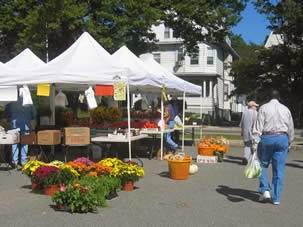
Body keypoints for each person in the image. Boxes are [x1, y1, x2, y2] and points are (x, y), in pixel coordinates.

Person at [252, 90, 294, 205]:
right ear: (279, 97)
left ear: (268, 97)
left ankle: (265, 190)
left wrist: (255, 143)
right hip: (282, 138)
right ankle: (276, 198)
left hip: (267, 137)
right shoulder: (286, 109)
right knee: (279, 169)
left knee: (262, 164)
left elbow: (258, 127)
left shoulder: (264, 108)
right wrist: (290, 142)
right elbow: (291, 128)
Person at [5, 98, 36, 168]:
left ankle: (14, 162)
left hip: (14, 125)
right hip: (25, 125)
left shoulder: (11, 103)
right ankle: (23, 162)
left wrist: (11, 118)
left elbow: (6, 115)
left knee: (14, 143)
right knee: (24, 143)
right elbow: (34, 114)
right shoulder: (29, 103)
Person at [239, 100, 258, 165]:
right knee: (254, 146)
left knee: (247, 146)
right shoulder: (255, 112)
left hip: (245, 132)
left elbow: (241, 124)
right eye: (255, 106)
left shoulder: (245, 112)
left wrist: (242, 132)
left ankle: (246, 158)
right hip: (253, 132)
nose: (256, 107)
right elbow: (256, 123)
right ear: (252, 106)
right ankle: (253, 160)